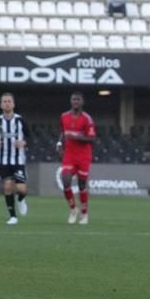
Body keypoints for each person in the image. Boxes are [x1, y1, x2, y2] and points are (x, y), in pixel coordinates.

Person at [57, 91, 96, 225]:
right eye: (73, 99)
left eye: (78, 99)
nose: (75, 102)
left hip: (83, 156)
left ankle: (84, 214)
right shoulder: (64, 116)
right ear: (70, 101)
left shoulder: (87, 119)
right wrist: (59, 143)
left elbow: (92, 138)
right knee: (66, 181)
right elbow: (63, 132)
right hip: (69, 155)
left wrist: (78, 137)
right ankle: (73, 210)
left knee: (81, 185)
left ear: (82, 102)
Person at [0, 93, 29, 225]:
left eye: (9, 101)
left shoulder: (20, 120)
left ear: (13, 104)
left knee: (21, 189)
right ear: (1, 105)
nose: (7, 103)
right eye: (4, 101)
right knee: (7, 187)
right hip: (3, 160)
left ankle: (21, 199)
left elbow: (30, 136)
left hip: (18, 160)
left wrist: (24, 142)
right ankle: (13, 216)